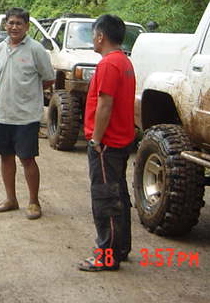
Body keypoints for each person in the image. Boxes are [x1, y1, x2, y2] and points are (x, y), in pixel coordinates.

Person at [78, 14, 135, 272]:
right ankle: (120, 248)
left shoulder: (109, 64)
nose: (93, 40)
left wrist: (96, 140)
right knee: (118, 195)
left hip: (107, 145)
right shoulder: (124, 62)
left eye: (94, 35)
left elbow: (105, 104)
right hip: (120, 141)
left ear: (101, 36)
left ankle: (107, 256)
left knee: (106, 200)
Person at [0, 7, 55, 220]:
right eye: (11, 23)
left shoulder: (36, 49)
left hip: (26, 116)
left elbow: (48, 78)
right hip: (1, 114)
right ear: (5, 25)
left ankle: (34, 202)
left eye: (19, 23)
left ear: (27, 26)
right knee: (5, 157)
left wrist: (29, 93)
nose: (14, 27)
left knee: (27, 159)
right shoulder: (0, 49)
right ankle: (11, 199)